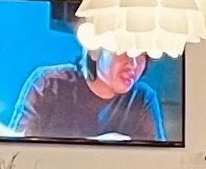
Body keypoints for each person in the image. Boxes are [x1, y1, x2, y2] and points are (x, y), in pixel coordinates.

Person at [19, 50, 169, 144]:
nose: (133, 64)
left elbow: (157, 162)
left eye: (141, 54)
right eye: (122, 50)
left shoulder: (142, 98)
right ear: (95, 52)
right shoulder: (49, 83)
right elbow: (18, 148)